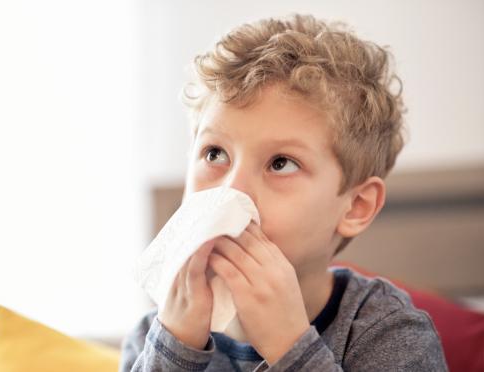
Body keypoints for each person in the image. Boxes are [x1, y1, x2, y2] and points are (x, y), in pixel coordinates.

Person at [120, 13, 447, 371]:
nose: (233, 190)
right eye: (215, 154)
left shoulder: (388, 332)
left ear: (356, 206)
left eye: (280, 163)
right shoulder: (153, 336)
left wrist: (290, 346)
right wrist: (175, 345)